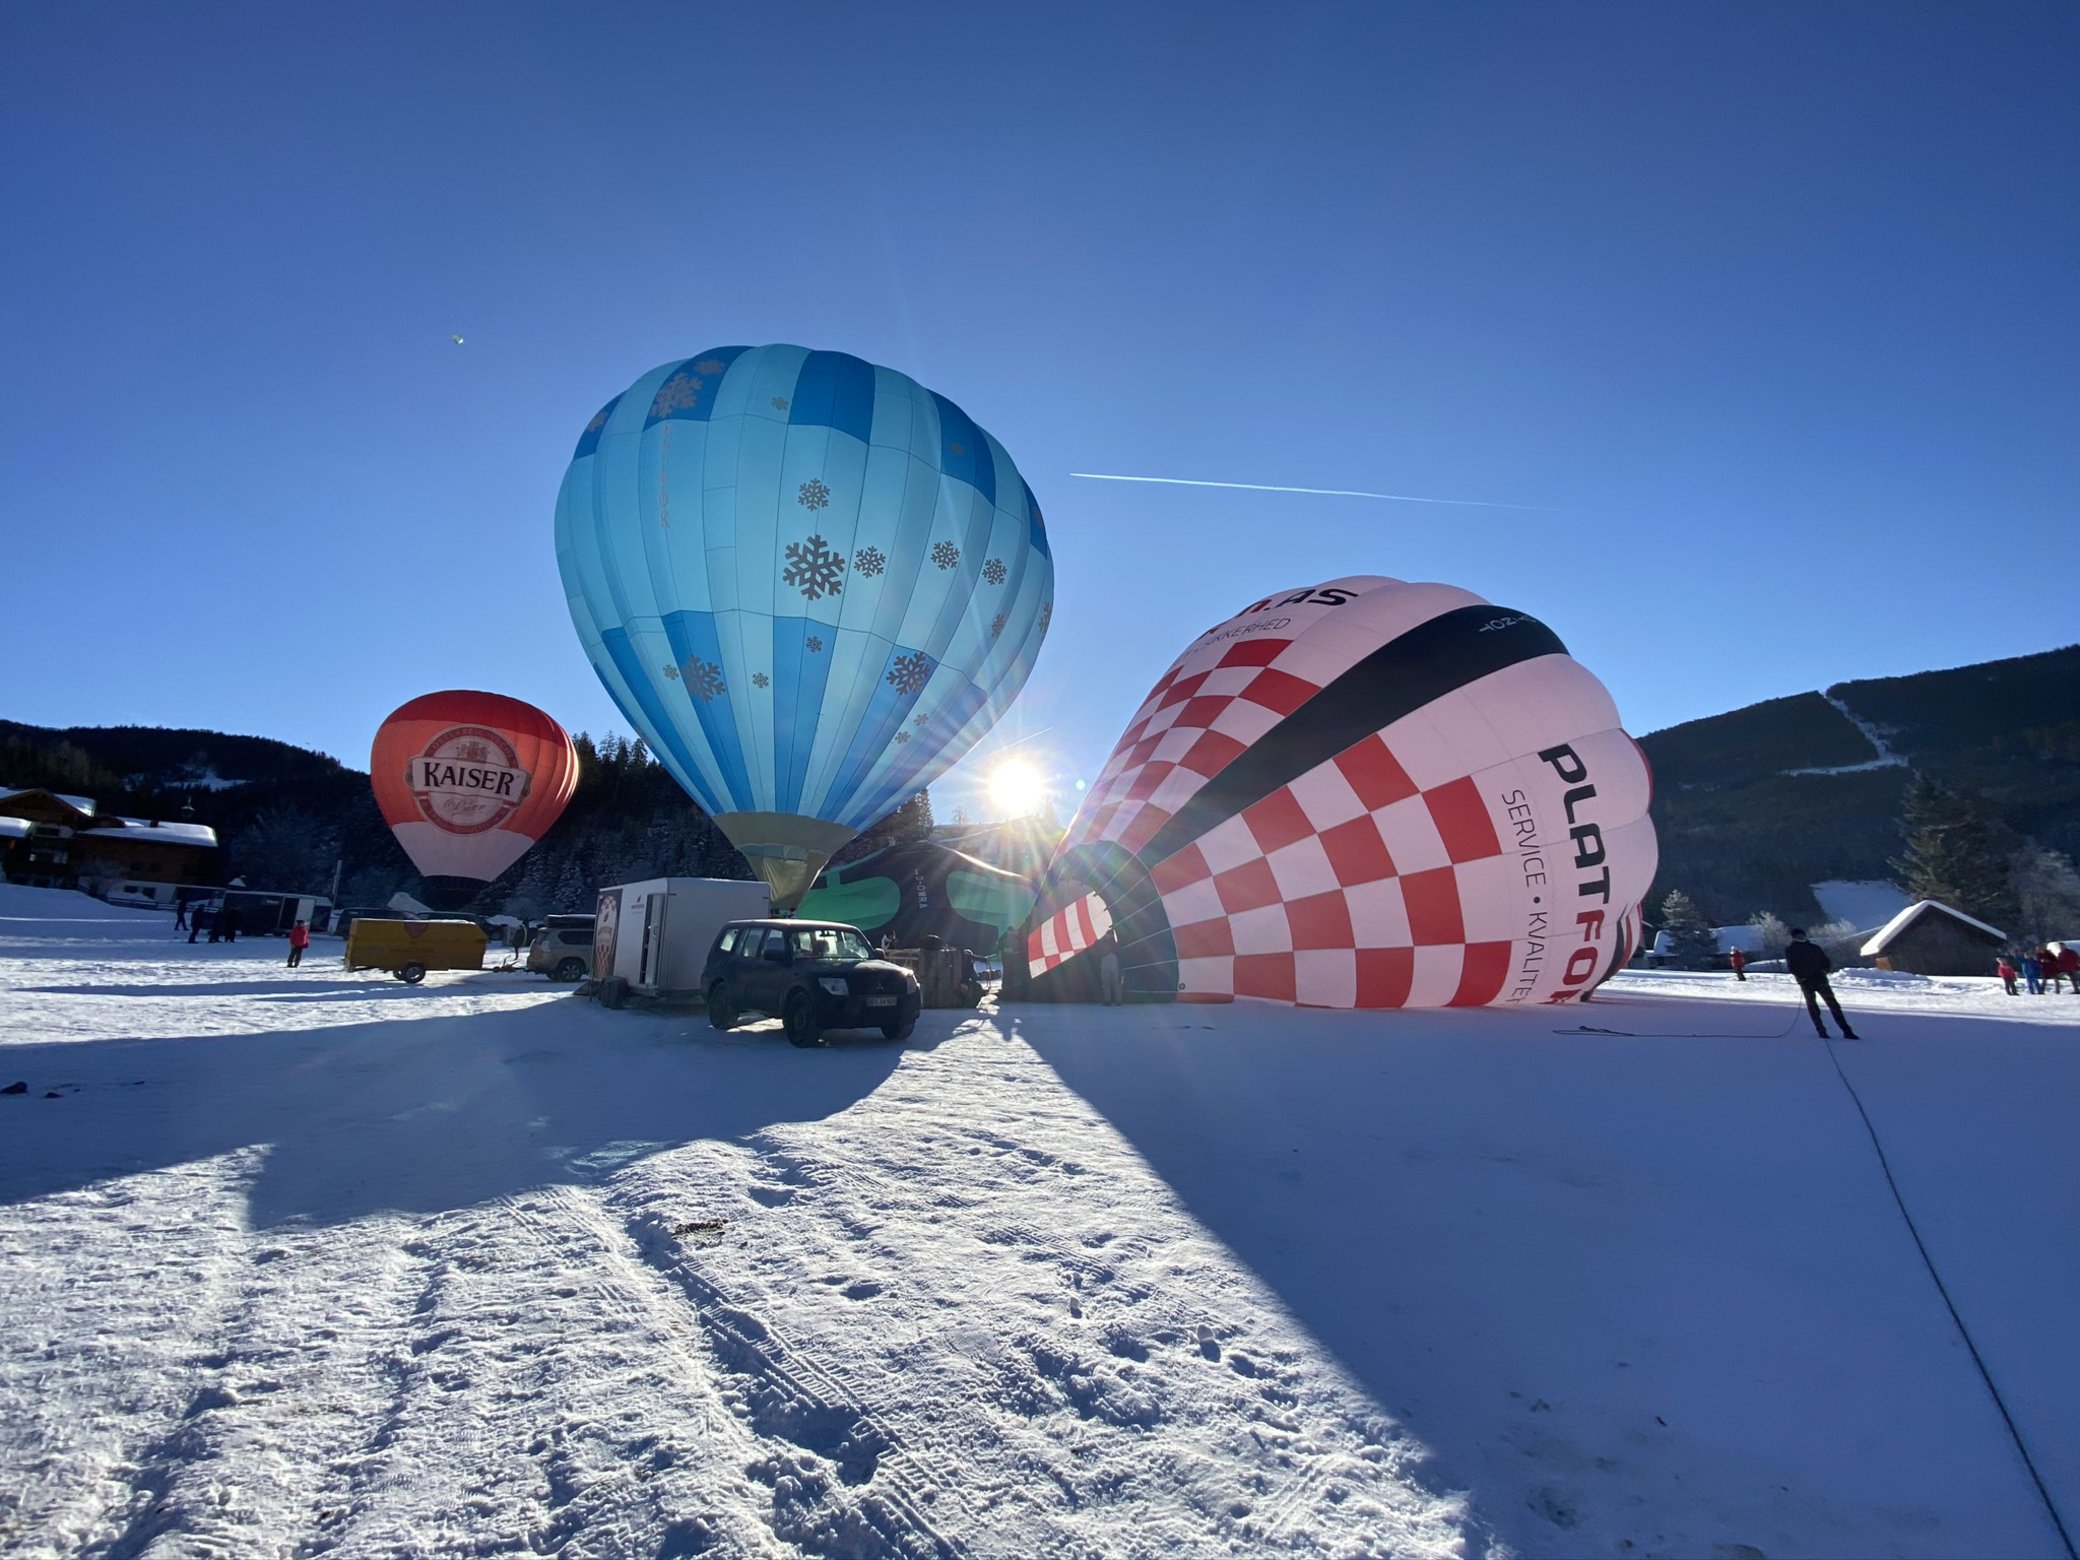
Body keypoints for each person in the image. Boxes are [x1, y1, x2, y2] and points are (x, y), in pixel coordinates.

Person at [1785, 928, 1858, 1039]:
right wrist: (1802, 978)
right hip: (1806, 982)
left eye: (1802, 935)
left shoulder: (1815, 948)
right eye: (1798, 936)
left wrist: (1823, 971)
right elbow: (1792, 967)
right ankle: (1821, 1031)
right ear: (1794, 938)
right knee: (1813, 1007)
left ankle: (1846, 1031)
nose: (1801, 937)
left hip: (1821, 980)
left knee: (1834, 1005)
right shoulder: (1791, 950)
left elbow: (1826, 962)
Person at [1098, 935, 1123, 1006]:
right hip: (1112, 958)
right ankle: (1116, 1000)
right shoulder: (1114, 939)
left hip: (1107, 957)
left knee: (1108, 981)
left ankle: (1109, 1000)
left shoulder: (1104, 939)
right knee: (1112, 981)